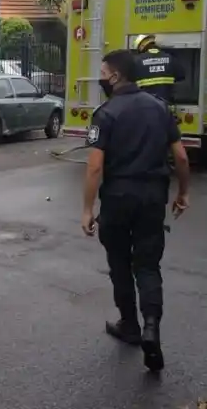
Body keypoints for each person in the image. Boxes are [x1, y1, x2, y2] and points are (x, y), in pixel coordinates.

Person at [80, 49, 190, 373]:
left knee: (119, 262)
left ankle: (130, 325)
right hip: (152, 199)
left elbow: (95, 168)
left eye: (103, 71)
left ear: (115, 76)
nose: (101, 77)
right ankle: (151, 327)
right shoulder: (160, 109)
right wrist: (183, 192)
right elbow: (181, 158)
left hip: (117, 199)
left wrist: (87, 209)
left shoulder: (106, 113)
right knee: (148, 265)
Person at [131, 34, 185, 103]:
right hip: (165, 105)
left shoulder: (137, 61)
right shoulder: (170, 58)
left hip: (146, 105)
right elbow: (181, 76)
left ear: (141, 47)